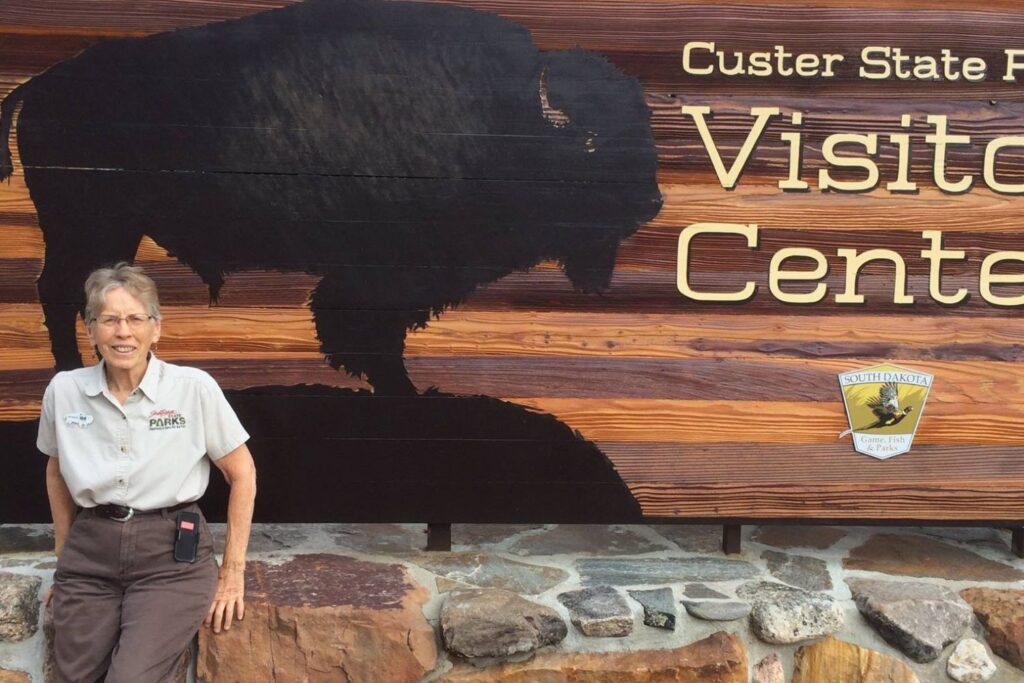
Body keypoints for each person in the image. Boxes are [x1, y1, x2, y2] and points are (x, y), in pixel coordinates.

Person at [37, 262, 257, 682]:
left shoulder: (193, 388)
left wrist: (232, 573)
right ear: (90, 329)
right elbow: (56, 471)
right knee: (73, 677)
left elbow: (242, 472)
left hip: (169, 558)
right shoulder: (64, 391)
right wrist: (63, 561)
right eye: (110, 319)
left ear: (156, 328)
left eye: (136, 318)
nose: (124, 332)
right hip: (90, 557)